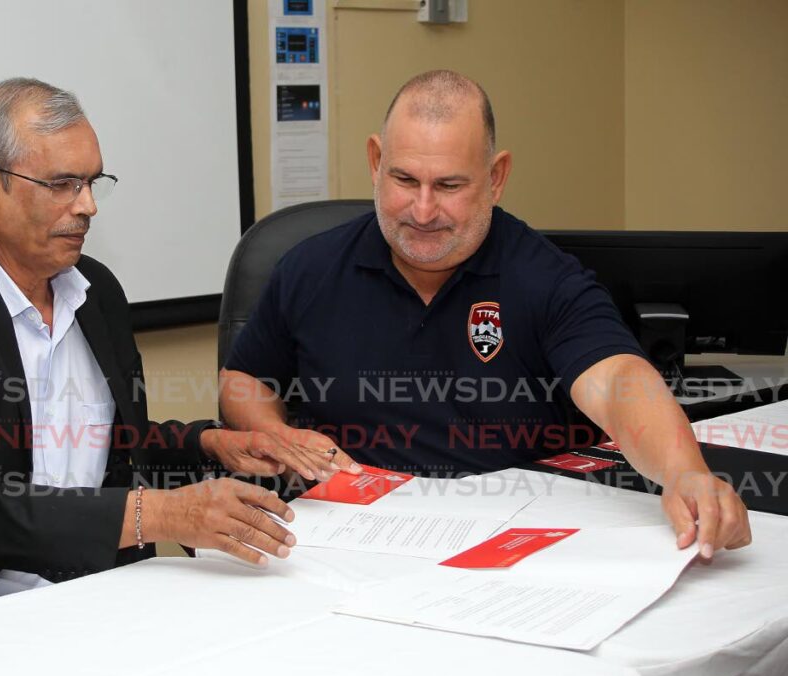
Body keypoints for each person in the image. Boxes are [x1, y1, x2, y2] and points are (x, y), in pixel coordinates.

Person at [0, 78, 303, 634]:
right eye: (64, 184)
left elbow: (107, 447)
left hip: (98, 598)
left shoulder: (97, 292)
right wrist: (163, 513)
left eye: (93, 182)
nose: (88, 206)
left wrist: (212, 443)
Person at [219, 70, 751, 559]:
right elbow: (242, 377)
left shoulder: (543, 276)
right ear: (375, 161)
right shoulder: (309, 269)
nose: (423, 211)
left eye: (449, 186)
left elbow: (617, 380)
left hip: (507, 539)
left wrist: (685, 471)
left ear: (496, 177)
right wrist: (273, 433)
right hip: (347, 536)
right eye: (405, 180)